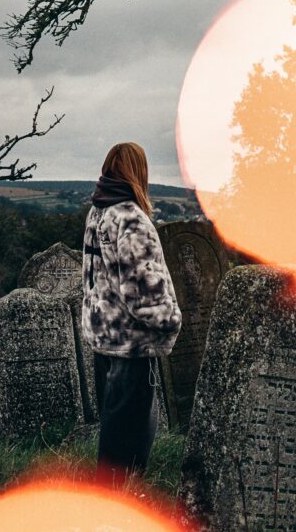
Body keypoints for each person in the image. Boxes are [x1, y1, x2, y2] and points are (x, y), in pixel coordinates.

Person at [81, 142, 182, 488]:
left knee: (115, 427)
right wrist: (170, 319)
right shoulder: (131, 219)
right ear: (139, 171)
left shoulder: (98, 212)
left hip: (105, 335)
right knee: (130, 435)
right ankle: (117, 500)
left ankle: (111, 496)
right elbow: (142, 291)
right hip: (132, 341)